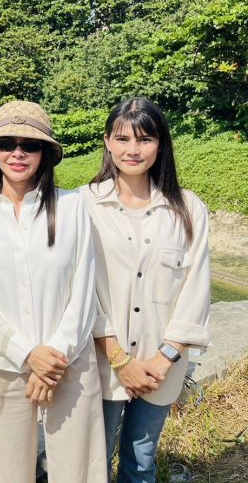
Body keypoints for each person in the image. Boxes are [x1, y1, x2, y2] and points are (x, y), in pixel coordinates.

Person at [0, 100, 107, 483]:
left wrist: (52, 360)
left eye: (31, 145)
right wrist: (28, 354)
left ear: (46, 154)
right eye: (7, 143)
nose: (18, 153)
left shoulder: (73, 208)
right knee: (8, 472)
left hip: (69, 364)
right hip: (3, 365)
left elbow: (84, 289)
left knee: (78, 472)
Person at [80, 98, 210, 483]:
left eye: (145, 139)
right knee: (92, 461)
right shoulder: (83, 205)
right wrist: (120, 358)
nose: (132, 150)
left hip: (161, 365)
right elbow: (80, 288)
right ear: (107, 142)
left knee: (141, 460)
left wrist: (165, 357)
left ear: (161, 143)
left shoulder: (187, 209)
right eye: (122, 138)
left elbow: (196, 286)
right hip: (101, 360)